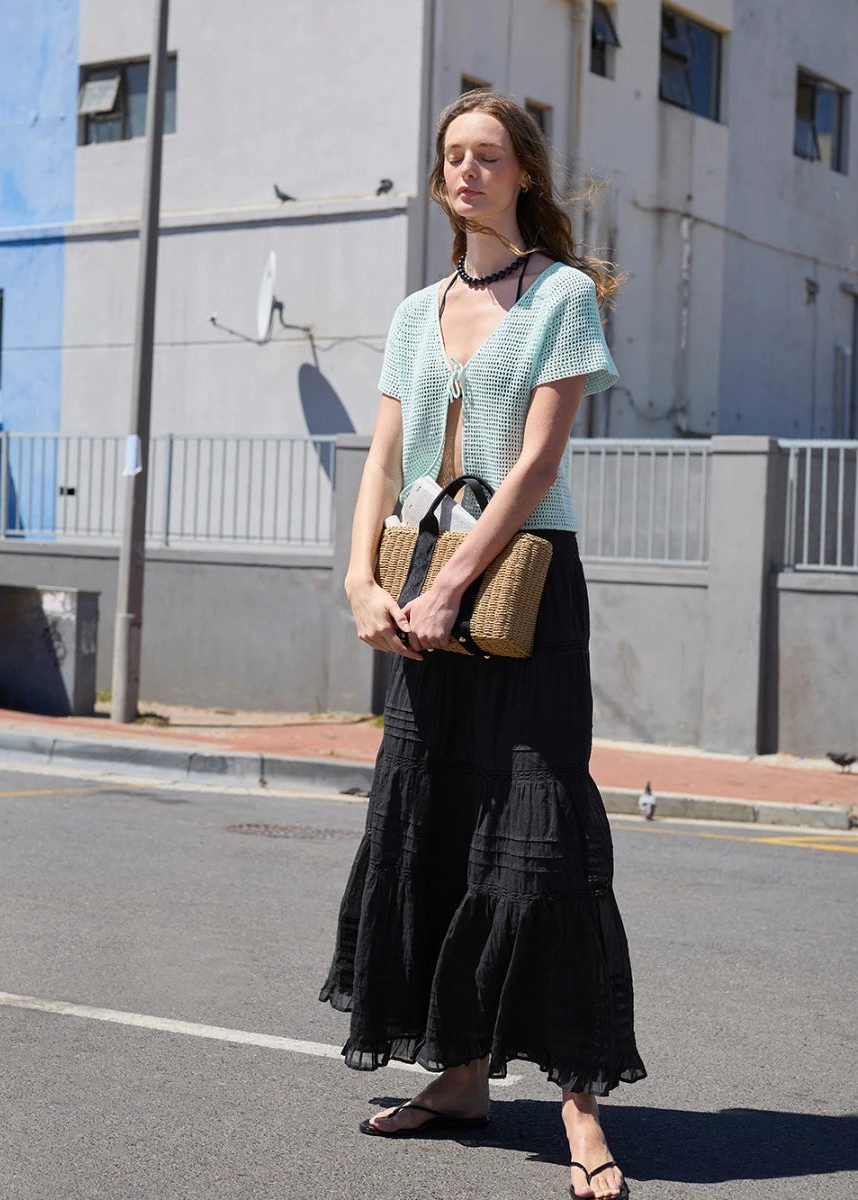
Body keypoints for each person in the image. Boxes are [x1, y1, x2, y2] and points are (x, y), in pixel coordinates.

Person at [319, 89, 646, 1200]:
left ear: (525, 174)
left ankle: (579, 1107)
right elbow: (384, 459)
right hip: (420, 587)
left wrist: (454, 585)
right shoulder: (416, 311)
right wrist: (363, 581)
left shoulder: (562, 295)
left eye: (489, 156)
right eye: (453, 156)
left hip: (522, 591)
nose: (468, 171)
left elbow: (538, 462)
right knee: (435, 824)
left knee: (540, 837)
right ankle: (458, 1079)